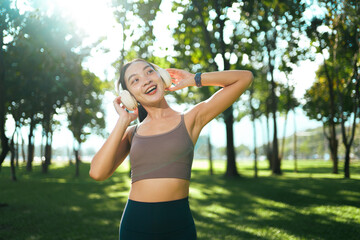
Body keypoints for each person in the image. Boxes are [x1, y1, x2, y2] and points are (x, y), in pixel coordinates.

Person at [89, 58, 253, 240]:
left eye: (149, 72)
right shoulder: (131, 133)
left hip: (179, 228)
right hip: (135, 227)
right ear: (129, 96)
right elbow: (97, 173)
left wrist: (193, 79)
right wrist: (123, 120)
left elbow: (244, 78)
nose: (146, 80)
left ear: (162, 77)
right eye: (135, 80)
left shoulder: (191, 119)